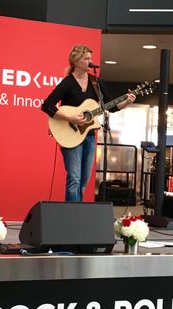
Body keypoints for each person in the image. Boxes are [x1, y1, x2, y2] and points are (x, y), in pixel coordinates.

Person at [41, 44, 136, 202]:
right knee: (74, 178)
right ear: (76, 61)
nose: (90, 61)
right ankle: (73, 216)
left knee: (84, 180)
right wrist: (71, 118)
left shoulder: (96, 82)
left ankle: (78, 213)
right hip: (70, 135)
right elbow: (47, 105)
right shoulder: (68, 83)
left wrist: (127, 101)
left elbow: (110, 107)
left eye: (91, 58)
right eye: (86, 58)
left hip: (89, 136)